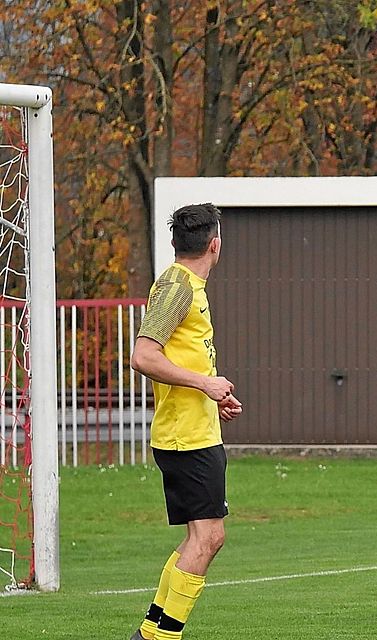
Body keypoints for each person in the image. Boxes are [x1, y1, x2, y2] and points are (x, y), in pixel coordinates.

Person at [129, 203, 243, 640]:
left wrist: (209, 395)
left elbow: (176, 356)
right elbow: (143, 355)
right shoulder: (177, 287)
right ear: (215, 244)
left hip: (194, 429)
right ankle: (159, 636)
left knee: (201, 537)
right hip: (185, 438)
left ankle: (151, 632)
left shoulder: (186, 284)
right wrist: (204, 384)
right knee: (209, 538)